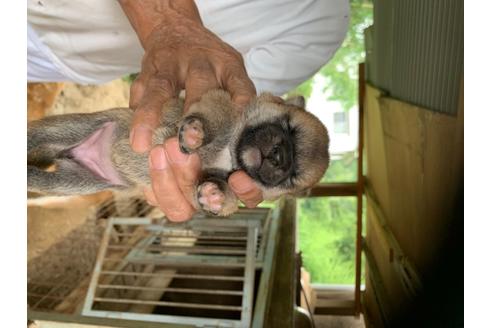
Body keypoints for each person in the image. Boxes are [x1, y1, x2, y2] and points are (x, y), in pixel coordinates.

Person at [27, 0, 349, 221]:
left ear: (284, 194)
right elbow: (219, 104)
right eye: (286, 132)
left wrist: (215, 198)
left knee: (39, 180)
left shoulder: (322, 28)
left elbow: (229, 85)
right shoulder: (229, 117)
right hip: (100, 112)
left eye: (289, 171)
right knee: (36, 138)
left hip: (67, 62)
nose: (278, 155)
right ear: (279, 104)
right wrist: (201, 124)